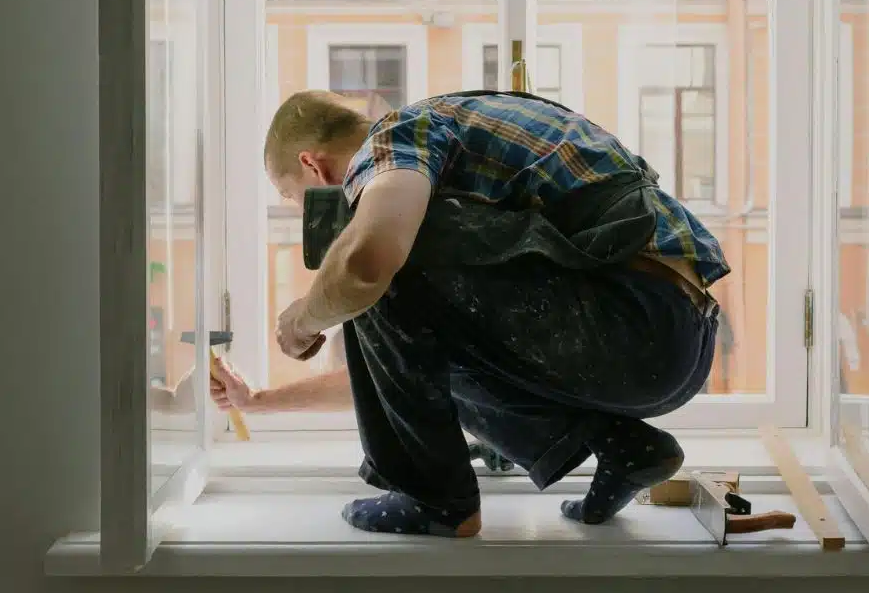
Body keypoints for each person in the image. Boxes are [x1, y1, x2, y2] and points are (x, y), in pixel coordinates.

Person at [210, 89, 730, 538]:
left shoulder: (395, 137)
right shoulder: (454, 133)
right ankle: (625, 445)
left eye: (296, 200)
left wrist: (301, 318)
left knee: (378, 263)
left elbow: (368, 266)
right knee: (409, 309)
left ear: (313, 166)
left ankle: (436, 500)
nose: (306, 215)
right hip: (674, 339)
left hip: (633, 318)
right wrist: (259, 401)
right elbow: (404, 373)